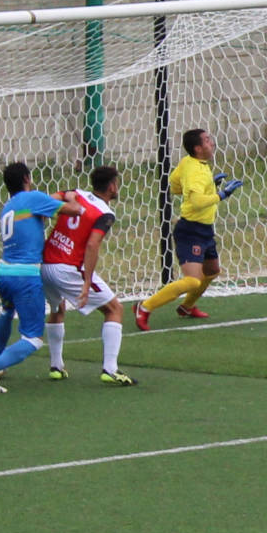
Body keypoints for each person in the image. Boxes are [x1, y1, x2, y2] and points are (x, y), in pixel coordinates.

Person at [0, 162, 83, 394]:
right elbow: (74, 211)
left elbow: (39, 212)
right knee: (33, 338)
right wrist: (71, 196)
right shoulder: (33, 198)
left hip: (4, 272)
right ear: (27, 178)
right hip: (25, 276)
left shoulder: (9, 206)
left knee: (6, 311)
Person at [136, 128, 243, 327]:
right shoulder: (195, 170)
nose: (212, 143)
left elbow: (174, 185)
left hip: (205, 230)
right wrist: (221, 194)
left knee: (211, 271)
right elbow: (195, 202)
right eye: (207, 140)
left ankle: (186, 306)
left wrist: (209, 184)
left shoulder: (189, 163)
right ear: (198, 148)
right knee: (193, 280)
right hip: (191, 231)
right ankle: (144, 307)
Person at [41, 165, 137, 386]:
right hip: (68, 268)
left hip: (46, 263)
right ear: (112, 186)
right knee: (114, 309)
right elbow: (93, 244)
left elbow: (48, 200)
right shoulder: (105, 213)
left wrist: (59, 205)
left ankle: (56, 366)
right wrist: (86, 283)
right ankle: (110, 370)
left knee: (57, 308)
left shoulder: (75, 193)